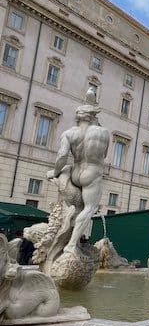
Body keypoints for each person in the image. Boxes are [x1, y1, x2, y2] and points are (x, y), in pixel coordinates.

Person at [47, 88, 110, 255]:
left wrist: (55, 173)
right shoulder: (103, 133)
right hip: (91, 173)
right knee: (89, 208)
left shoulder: (69, 133)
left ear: (78, 117)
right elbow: (104, 155)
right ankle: (71, 244)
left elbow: (61, 156)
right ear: (94, 117)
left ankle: (64, 234)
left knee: (65, 169)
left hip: (74, 172)